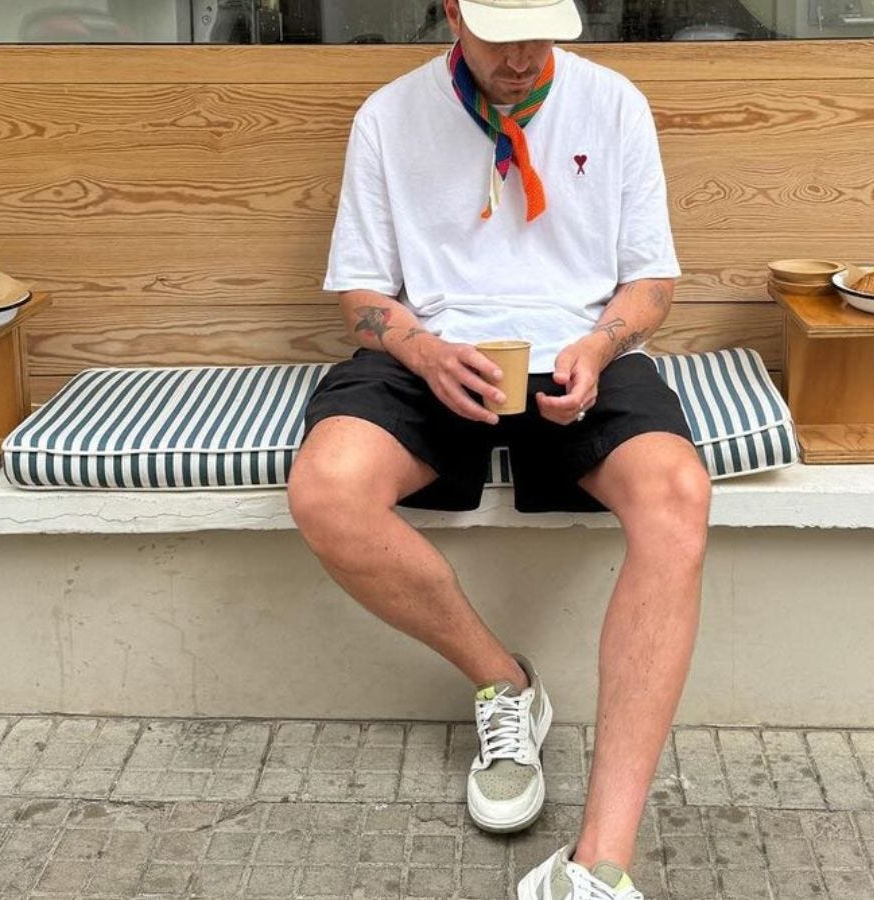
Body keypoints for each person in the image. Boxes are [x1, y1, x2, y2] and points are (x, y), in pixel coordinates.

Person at [287, 1, 709, 896]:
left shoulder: (614, 104)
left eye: (538, 33)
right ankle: (504, 683)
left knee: (678, 493)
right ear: (452, 13)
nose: (521, 58)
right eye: (498, 35)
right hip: (435, 345)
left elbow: (652, 282)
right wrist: (422, 351)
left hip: (580, 345)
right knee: (326, 488)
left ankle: (599, 867)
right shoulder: (389, 116)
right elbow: (360, 294)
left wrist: (600, 346)